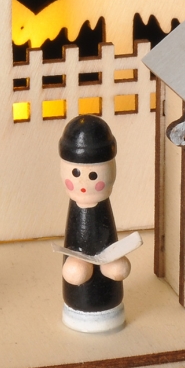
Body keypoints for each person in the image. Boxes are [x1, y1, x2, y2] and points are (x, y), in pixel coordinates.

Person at [59, 115, 131, 332]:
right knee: (76, 271)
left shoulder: (102, 209)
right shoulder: (76, 210)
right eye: (76, 173)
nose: (83, 184)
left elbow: (108, 243)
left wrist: (112, 262)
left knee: (115, 268)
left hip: (110, 300)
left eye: (93, 175)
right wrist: (75, 265)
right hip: (77, 300)